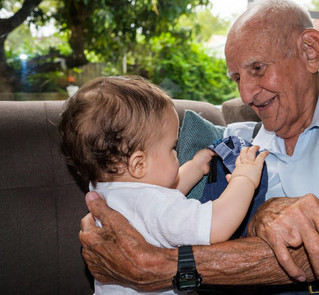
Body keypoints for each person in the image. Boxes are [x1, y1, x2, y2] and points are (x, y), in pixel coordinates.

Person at [79, 0, 319, 294]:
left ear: (309, 51)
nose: (246, 93)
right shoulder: (237, 142)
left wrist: (161, 266)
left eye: (257, 69)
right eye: (237, 77)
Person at [58, 76, 268, 294]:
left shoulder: (105, 191)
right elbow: (217, 224)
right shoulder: (155, 205)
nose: (177, 153)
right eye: (172, 147)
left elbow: (162, 198)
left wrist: (195, 167)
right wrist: (245, 177)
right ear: (138, 164)